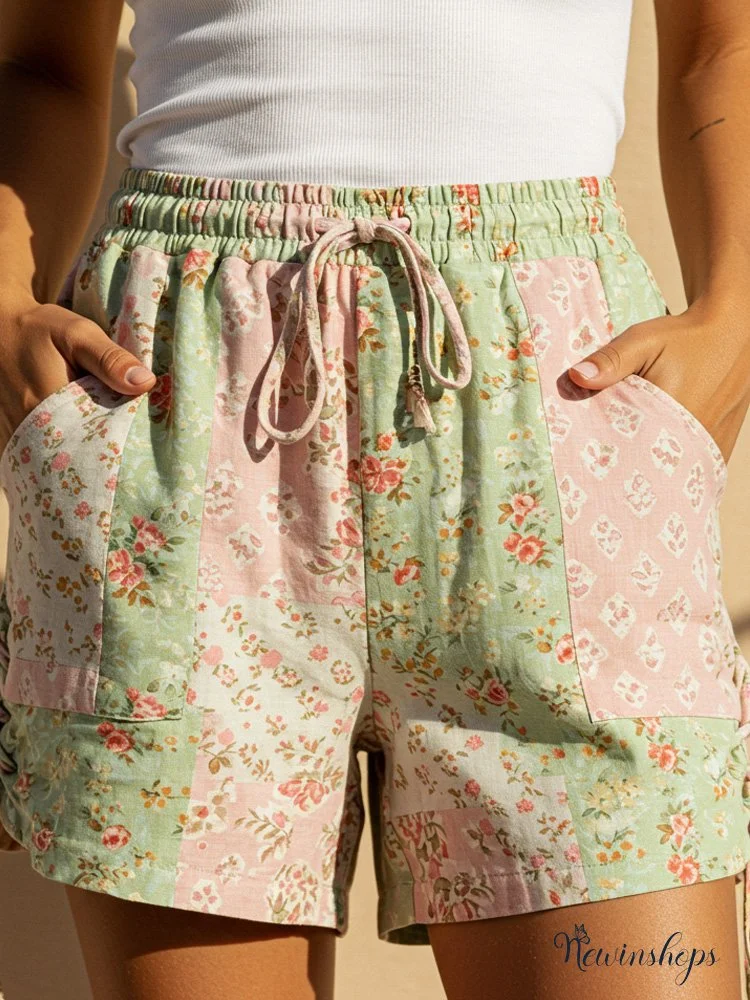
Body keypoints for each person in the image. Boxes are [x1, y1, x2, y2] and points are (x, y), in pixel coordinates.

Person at [0, 1, 749, 998]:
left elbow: (720, 40)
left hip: (559, 409)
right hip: (180, 425)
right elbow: (44, 59)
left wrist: (738, 314)